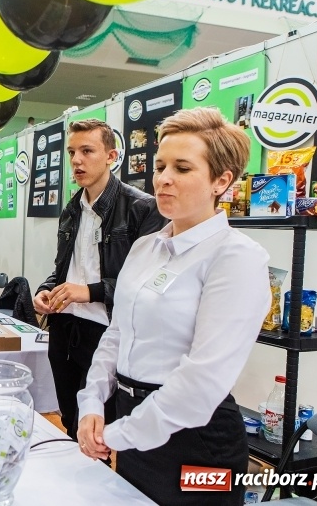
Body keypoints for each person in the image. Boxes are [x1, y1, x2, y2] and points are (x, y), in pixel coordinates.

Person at [77, 107, 271, 505]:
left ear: (221, 180)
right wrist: (92, 402)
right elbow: (117, 333)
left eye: (182, 168)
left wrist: (115, 434)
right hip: (134, 424)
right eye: (161, 165)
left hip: (198, 442)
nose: (163, 179)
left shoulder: (236, 258)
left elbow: (201, 383)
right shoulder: (147, 246)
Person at [33, 119, 165, 441]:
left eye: (87, 151)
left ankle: (95, 482)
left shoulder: (142, 209)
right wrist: (45, 290)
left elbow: (146, 286)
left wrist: (88, 292)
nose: (76, 160)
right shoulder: (71, 209)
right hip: (64, 330)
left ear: (111, 156)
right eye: (72, 152)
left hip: (105, 334)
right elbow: (64, 269)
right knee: (68, 419)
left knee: (94, 428)